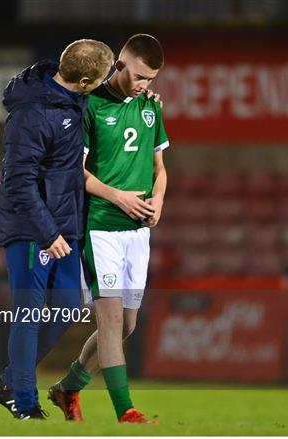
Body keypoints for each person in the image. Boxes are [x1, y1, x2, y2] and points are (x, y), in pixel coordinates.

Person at [0, 39, 114, 420]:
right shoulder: (31, 114)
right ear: (86, 80)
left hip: (65, 226)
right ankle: (25, 402)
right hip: (32, 229)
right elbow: (19, 183)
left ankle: (11, 381)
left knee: (65, 309)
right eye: (103, 77)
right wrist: (49, 233)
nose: (105, 83)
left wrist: (144, 96)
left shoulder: (71, 97)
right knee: (28, 313)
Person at [47, 34, 168, 424]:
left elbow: (159, 170)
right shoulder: (90, 106)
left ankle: (67, 388)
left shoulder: (151, 108)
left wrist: (158, 202)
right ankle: (126, 411)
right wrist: (118, 197)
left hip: (138, 233)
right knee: (111, 322)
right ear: (119, 65)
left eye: (150, 79)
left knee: (127, 325)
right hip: (101, 229)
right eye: (138, 76)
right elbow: (75, 172)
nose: (144, 85)